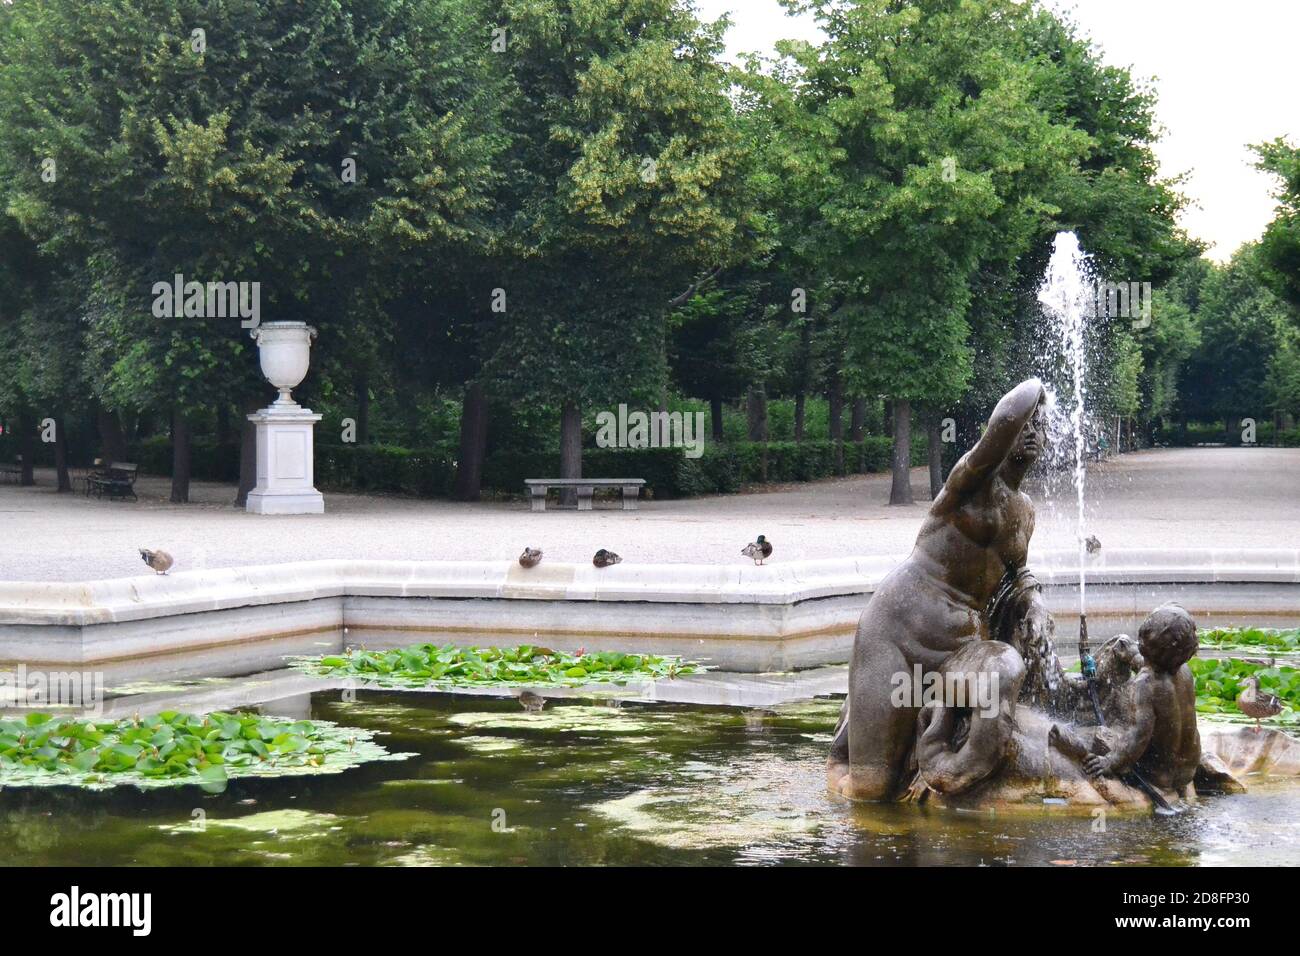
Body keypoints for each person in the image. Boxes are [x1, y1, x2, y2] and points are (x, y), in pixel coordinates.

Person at [829, 379, 1047, 800]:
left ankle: (953, 773)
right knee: (871, 790)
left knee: (1004, 669)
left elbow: (1016, 575)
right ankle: (847, 745)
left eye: (1041, 424)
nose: (1033, 431)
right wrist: (1038, 387)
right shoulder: (971, 479)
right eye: (1027, 425)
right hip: (896, 632)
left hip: (961, 645)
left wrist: (1033, 596)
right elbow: (1005, 418)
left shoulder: (1025, 511)